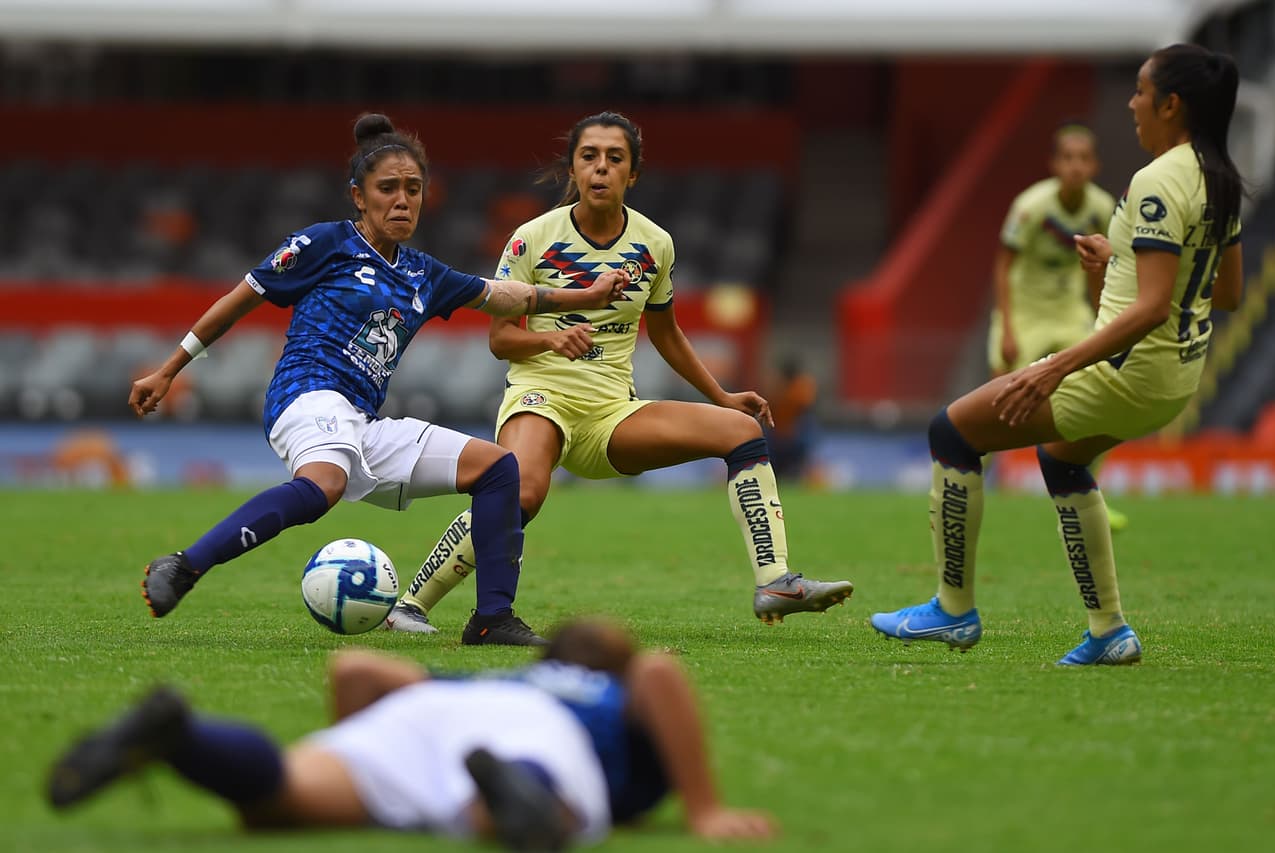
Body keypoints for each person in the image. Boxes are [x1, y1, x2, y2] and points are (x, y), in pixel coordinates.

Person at [129, 113, 628, 646]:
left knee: (498, 469)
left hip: (360, 422)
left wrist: (585, 296)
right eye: (387, 188)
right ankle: (185, 566)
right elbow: (240, 299)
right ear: (359, 197)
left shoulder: (425, 274)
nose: (402, 200)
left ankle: (492, 620)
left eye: (413, 189)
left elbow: (506, 295)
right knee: (325, 484)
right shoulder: (325, 244)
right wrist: (168, 369)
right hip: (306, 394)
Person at [382, 111, 852, 635]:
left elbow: (667, 334)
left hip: (612, 413)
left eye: (615, 158)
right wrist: (551, 338)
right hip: (541, 398)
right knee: (520, 492)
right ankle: (411, 605)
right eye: (590, 157)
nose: (601, 168)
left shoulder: (655, 244)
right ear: (573, 169)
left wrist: (721, 395)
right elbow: (500, 340)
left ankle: (775, 582)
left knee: (743, 432)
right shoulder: (531, 239)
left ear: (632, 173)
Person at [870, 44, 1244, 665]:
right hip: (1177, 376)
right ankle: (1109, 631)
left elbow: (1150, 307)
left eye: (1142, 92)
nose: (1132, 103)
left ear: (1172, 104)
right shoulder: (1219, 174)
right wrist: (1118, 260)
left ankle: (951, 611)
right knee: (1063, 459)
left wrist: (1054, 368)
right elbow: (1225, 291)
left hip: (1128, 371)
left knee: (953, 432)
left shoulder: (1157, 179)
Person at [46, 619, 777, 849]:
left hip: (425, 719)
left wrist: (362, 756)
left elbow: (356, 666)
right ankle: (515, 798)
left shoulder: (502, 679)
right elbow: (657, 673)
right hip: (539, 739)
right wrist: (704, 807)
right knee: (527, 813)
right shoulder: (604, 698)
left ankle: (186, 737)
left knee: (279, 800)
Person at [986, 122, 1129, 531]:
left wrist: (1105, 319)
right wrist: (1008, 327)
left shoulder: (1102, 207)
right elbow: (1003, 264)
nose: (1076, 166)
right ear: (1054, 164)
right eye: (1068, 157)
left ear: (1095, 164)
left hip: (1068, 310)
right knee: (999, 396)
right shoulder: (1031, 206)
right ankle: (979, 483)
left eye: (1083, 158)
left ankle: (1085, 488)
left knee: (1102, 386)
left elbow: (1103, 267)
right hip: (1026, 312)